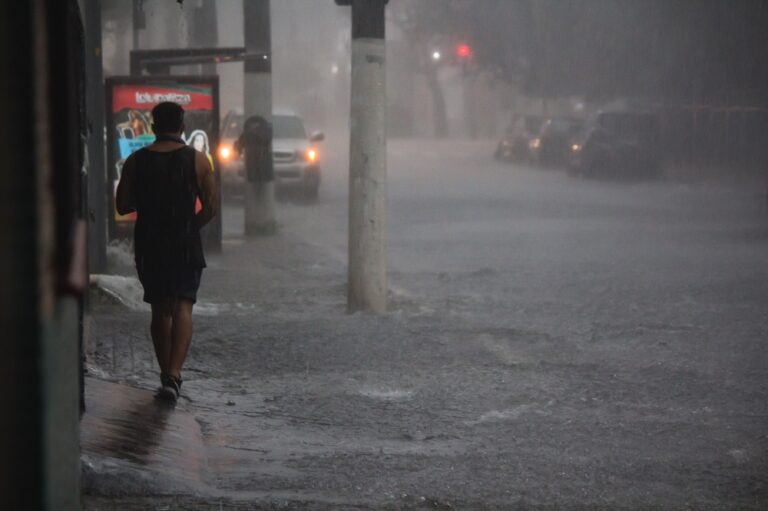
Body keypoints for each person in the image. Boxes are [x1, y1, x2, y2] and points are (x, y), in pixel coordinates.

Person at [116, 102, 219, 402]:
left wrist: (149, 209)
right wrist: (188, 226)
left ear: (152, 127)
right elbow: (211, 207)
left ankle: (165, 376)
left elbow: (122, 205)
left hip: (150, 242)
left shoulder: (135, 161)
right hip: (184, 242)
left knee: (160, 308)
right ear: (182, 127)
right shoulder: (199, 161)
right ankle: (175, 375)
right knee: (183, 307)